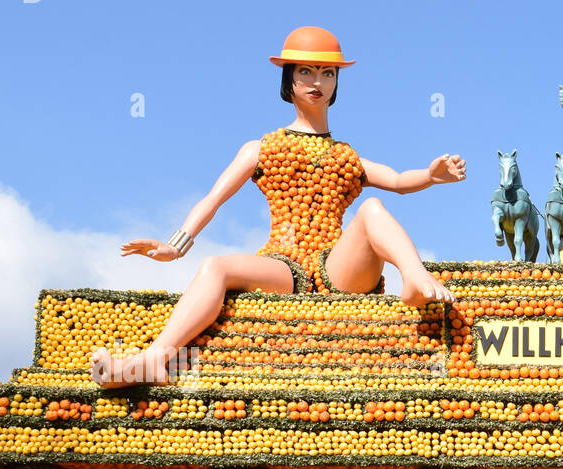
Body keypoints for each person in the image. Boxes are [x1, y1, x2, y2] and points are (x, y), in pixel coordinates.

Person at [89, 25, 466, 388]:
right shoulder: (261, 148)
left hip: (337, 268)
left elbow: (398, 180)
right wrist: (176, 245)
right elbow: (214, 199)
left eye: (327, 73)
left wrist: (431, 175)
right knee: (215, 266)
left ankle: (414, 278)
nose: (317, 82)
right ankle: (156, 358)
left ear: (336, 82)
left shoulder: (348, 157)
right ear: (289, 80)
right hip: (283, 267)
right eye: (306, 71)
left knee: (373, 210)